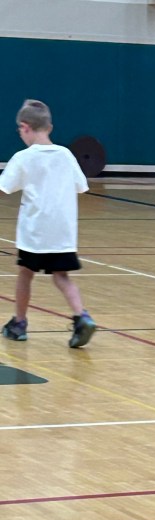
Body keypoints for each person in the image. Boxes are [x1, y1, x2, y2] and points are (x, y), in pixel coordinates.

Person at [0, 99, 96, 348]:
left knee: (25, 274)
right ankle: (81, 317)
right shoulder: (66, 155)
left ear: (24, 127)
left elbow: (4, 188)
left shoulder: (23, 157)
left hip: (34, 232)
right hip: (63, 232)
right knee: (61, 276)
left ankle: (19, 323)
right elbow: (81, 188)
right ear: (49, 127)